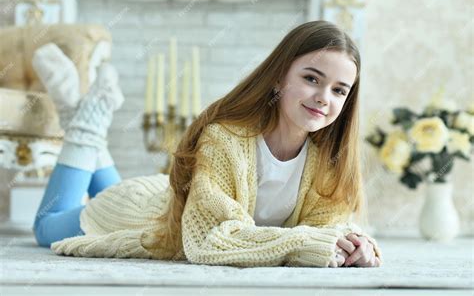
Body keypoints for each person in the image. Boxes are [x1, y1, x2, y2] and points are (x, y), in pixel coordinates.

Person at [32, 20, 383, 268]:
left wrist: (354, 245)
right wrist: (310, 244)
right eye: (311, 79)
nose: (324, 98)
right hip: (140, 214)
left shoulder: (328, 160)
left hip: (171, 198)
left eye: (339, 90)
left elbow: (324, 230)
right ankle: (85, 125)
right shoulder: (225, 138)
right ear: (279, 78)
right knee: (46, 227)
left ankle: (83, 114)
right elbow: (208, 241)